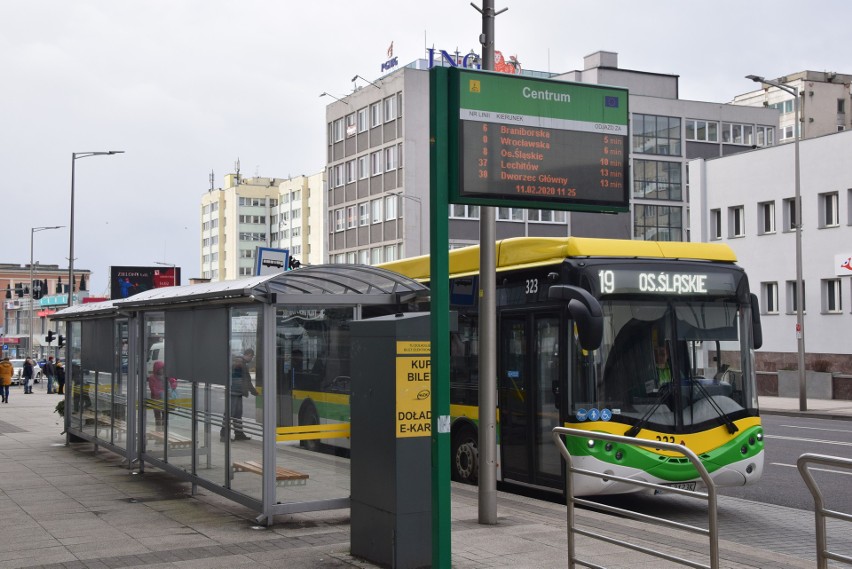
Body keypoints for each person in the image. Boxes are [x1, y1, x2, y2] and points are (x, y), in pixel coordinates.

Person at [220, 348, 258, 442]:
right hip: (234, 392)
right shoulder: (240, 363)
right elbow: (246, 380)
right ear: (248, 355)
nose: (252, 359)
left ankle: (239, 433)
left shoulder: (239, 362)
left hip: (236, 392)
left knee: (237, 414)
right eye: (251, 357)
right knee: (231, 413)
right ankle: (224, 435)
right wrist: (254, 392)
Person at [147, 360, 177, 427]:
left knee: (165, 415)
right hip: (156, 400)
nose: (162, 370)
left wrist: (173, 386)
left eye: (163, 368)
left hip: (165, 399)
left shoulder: (166, 376)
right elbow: (153, 389)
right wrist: (163, 392)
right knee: (157, 416)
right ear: (157, 369)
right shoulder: (152, 378)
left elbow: (173, 381)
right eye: (161, 369)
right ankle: (158, 429)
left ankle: (164, 429)